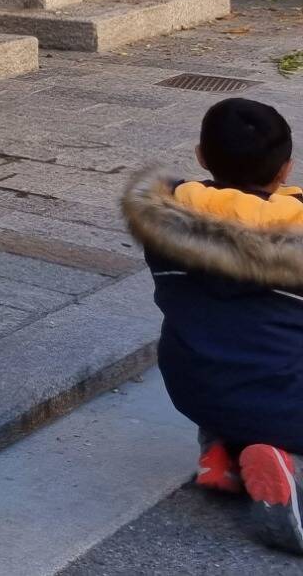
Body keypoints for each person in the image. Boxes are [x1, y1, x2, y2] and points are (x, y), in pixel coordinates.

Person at [123, 98, 303, 555]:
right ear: (286, 168)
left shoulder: (167, 222)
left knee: (231, 334)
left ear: (202, 157)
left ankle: (223, 448)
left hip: (194, 386)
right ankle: (285, 461)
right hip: (282, 397)